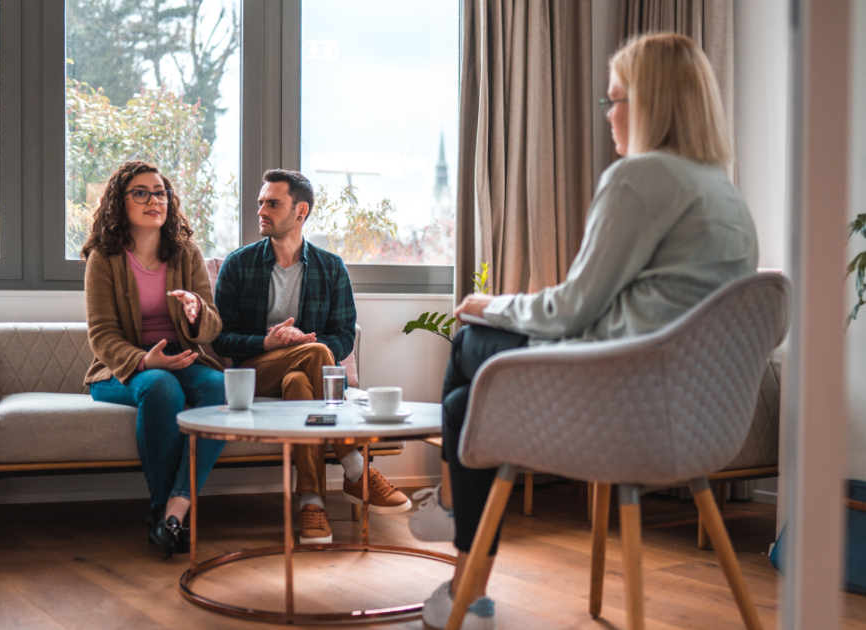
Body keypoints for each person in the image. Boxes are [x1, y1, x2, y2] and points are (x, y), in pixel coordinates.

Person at [411, 33, 759, 630]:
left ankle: (462, 552)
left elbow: (574, 309)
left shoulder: (639, 178)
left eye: (616, 100)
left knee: (469, 347)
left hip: (623, 406)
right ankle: (464, 563)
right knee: (467, 401)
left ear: (653, 104)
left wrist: (492, 305)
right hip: (698, 419)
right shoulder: (725, 195)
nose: (608, 116)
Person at [212, 169, 411, 545]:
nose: (262, 211)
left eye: (273, 203)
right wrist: (268, 343)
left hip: (302, 378)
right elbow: (221, 339)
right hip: (257, 371)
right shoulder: (239, 264)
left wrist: (304, 347)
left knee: (301, 380)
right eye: (260, 203)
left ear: (300, 211)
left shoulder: (330, 266)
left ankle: (312, 503)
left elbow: (343, 335)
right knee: (316, 352)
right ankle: (355, 468)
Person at [81, 161, 226, 559]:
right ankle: (165, 514)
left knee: (219, 386)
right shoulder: (104, 258)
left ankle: (176, 509)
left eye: (159, 192)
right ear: (119, 203)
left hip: (183, 360)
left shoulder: (186, 254)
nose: (153, 200)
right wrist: (147, 362)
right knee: (161, 387)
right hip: (124, 370)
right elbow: (102, 335)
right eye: (140, 193)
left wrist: (197, 311)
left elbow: (212, 327)